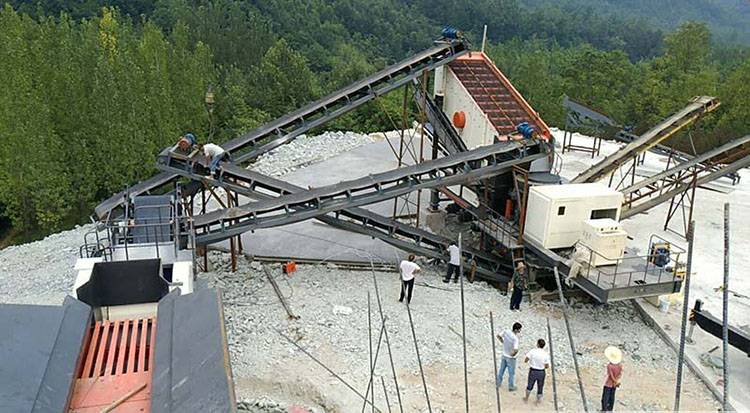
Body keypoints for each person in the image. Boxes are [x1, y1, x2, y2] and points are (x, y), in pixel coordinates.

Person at [523, 338, 551, 405]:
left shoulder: (532, 351)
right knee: (540, 386)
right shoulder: (545, 354)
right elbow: (547, 366)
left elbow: (526, 360)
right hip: (541, 372)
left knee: (530, 385)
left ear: (537, 344)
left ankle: (526, 398)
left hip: (533, 371)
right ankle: (538, 401)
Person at [496, 322, 522, 391]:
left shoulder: (506, 331)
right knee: (511, 373)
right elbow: (515, 349)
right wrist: (513, 354)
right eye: (519, 330)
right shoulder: (515, 338)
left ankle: (498, 383)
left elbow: (498, 335)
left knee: (501, 370)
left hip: (504, 355)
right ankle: (511, 386)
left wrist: (502, 342)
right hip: (511, 358)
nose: (520, 331)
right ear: (516, 330)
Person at [601, 346, 623, 412]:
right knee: (612, 396)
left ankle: (604, 409)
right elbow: (620, 374)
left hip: (609, 383)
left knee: (605, 396)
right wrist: (616, 381)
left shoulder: (610, 366)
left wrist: (614, 381)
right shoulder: (619, 365)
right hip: (614, 384)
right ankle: (610, 408)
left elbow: (611, 375)